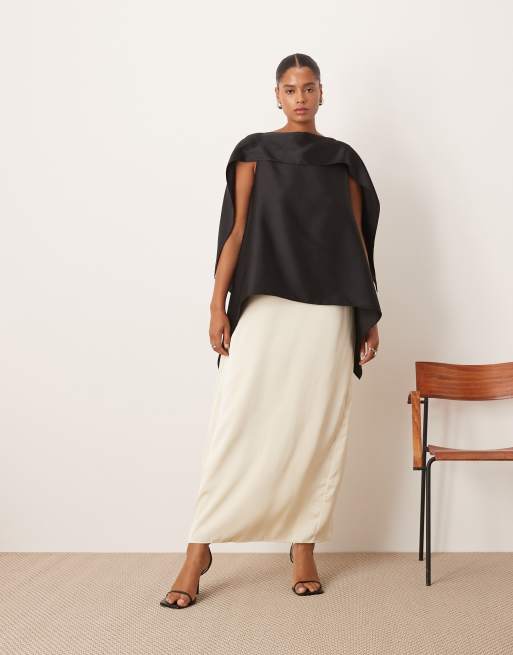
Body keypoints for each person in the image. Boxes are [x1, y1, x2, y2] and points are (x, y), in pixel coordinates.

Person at [161, 53, 382, 609]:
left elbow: (356, 241)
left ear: (323, 93)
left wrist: (368, 314)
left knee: (315, 423)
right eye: (290, 88)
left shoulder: (343, 161)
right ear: (277, 95)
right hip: (263, 298)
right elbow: (235, 234)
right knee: (236, 420)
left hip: (329, 308)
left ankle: (303, 547)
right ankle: (198, 550)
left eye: (309, 87)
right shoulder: (254, 153)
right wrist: (217, 306)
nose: (300, 97)